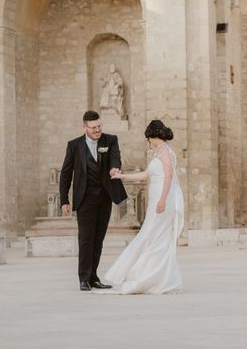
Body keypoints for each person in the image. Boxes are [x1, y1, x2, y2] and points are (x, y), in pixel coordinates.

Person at [99, 119, 184, 294]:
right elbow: (146, 175)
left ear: (154, 137)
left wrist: (162, 200)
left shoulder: (165, 152)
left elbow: (169, 177)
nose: (149, 143)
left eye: (149, 139)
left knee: (151, 235)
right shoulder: (160, 153)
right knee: (153, 236)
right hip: (157, 199)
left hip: (162, 199)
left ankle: (148, 276)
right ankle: (153, 276)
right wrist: (121, 176)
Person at [59, 110, 128, 291]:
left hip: (104, 197)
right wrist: (64, 199)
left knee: (98, 239)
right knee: (86, 239)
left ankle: (94, 277)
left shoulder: (110, 140)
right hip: (85, 199)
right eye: (93, 128)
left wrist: (115, 167)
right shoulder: (74, 146)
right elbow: (66, 173)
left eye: (99, 126)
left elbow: (115, 157)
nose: (97, 130)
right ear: (85, 127)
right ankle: (83, 278)